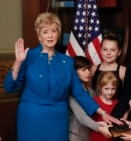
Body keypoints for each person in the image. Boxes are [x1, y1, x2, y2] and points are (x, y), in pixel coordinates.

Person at [3, 12, 121, 141]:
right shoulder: (28, 56)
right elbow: (10, 87)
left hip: (58, 120)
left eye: (53, 31)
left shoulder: (67, 61)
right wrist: (18, 62)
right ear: (39, 35)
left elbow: (80, 93)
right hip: (31, 118)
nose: (50, 35)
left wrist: (103, 113)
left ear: (58, 34)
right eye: (45, 31)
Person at [69, 56, 111, 141]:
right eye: (83, 70)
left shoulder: (92, 92)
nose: (88, 72)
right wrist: (99, 128)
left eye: (89, 69)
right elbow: (81, 116)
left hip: (90, 133)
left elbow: (93, 115)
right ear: (74, 72)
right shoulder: (70, 93)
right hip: (75, 135)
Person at [90, 71, 120, 141]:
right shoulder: (94, 101)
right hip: (97, 137)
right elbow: (88, 122)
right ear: (100, 87)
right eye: (106, 89)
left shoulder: (118, 103)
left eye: (113, 89)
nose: (110, 92)